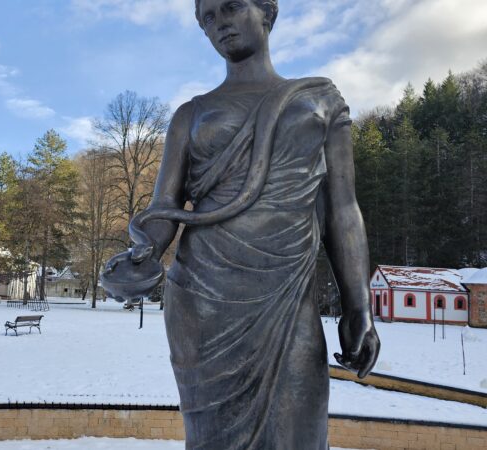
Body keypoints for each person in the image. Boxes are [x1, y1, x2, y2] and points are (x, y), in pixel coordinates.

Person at [102, 0, 380, 448]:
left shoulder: (319, 101)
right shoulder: (189, 116)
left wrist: (359, 305)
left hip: (288, 296)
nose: (220, 24)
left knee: (300, 436)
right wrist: (142, 253)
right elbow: (164, 207)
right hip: (204, 302)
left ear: (268, 12)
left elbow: (343, 210)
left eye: (230, 8)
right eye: (207, 18)